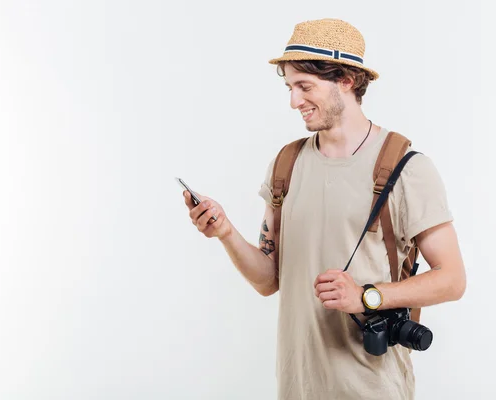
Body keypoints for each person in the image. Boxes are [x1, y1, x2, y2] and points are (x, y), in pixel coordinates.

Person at [183, 18, 466, 400]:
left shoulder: (406, 168)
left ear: (347, 80)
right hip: (297, 386)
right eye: (289, 87)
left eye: (305, 87)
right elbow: (268, 280)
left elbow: (452, 279)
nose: (294, 101)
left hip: (371, 389)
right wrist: (226, 233)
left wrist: (368, 296)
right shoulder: (287, 163)